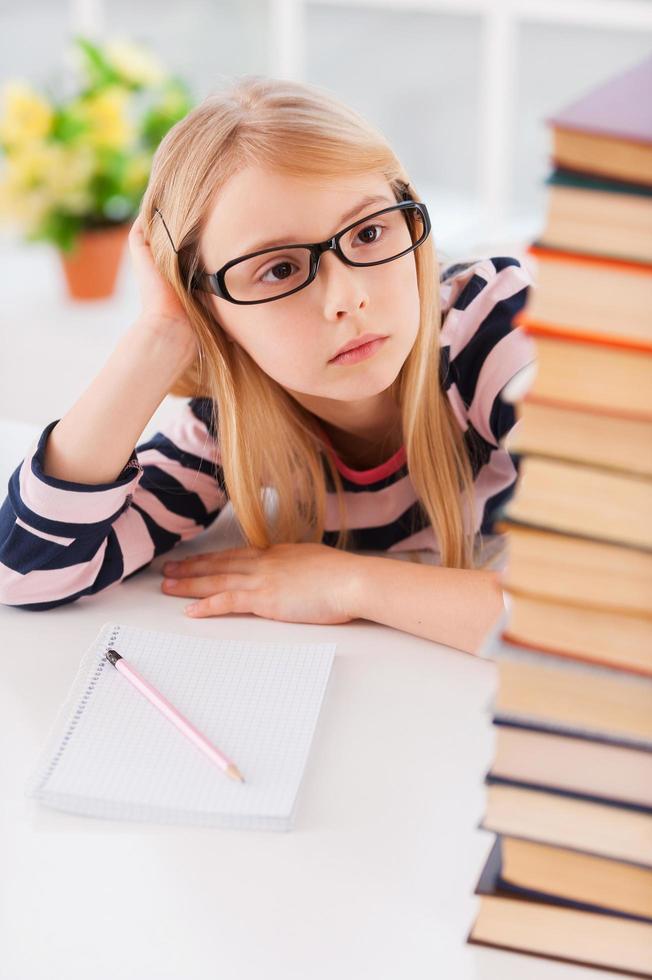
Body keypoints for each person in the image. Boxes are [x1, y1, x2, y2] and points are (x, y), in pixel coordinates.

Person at [0, 75, 537, 655]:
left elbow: (619, 616)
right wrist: (159, 336)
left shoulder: (499, 331)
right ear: (206, 305)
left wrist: (348, 583)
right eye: (278, 269)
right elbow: (26, 572)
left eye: (371, 232)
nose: (345, 299)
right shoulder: (235, 419)